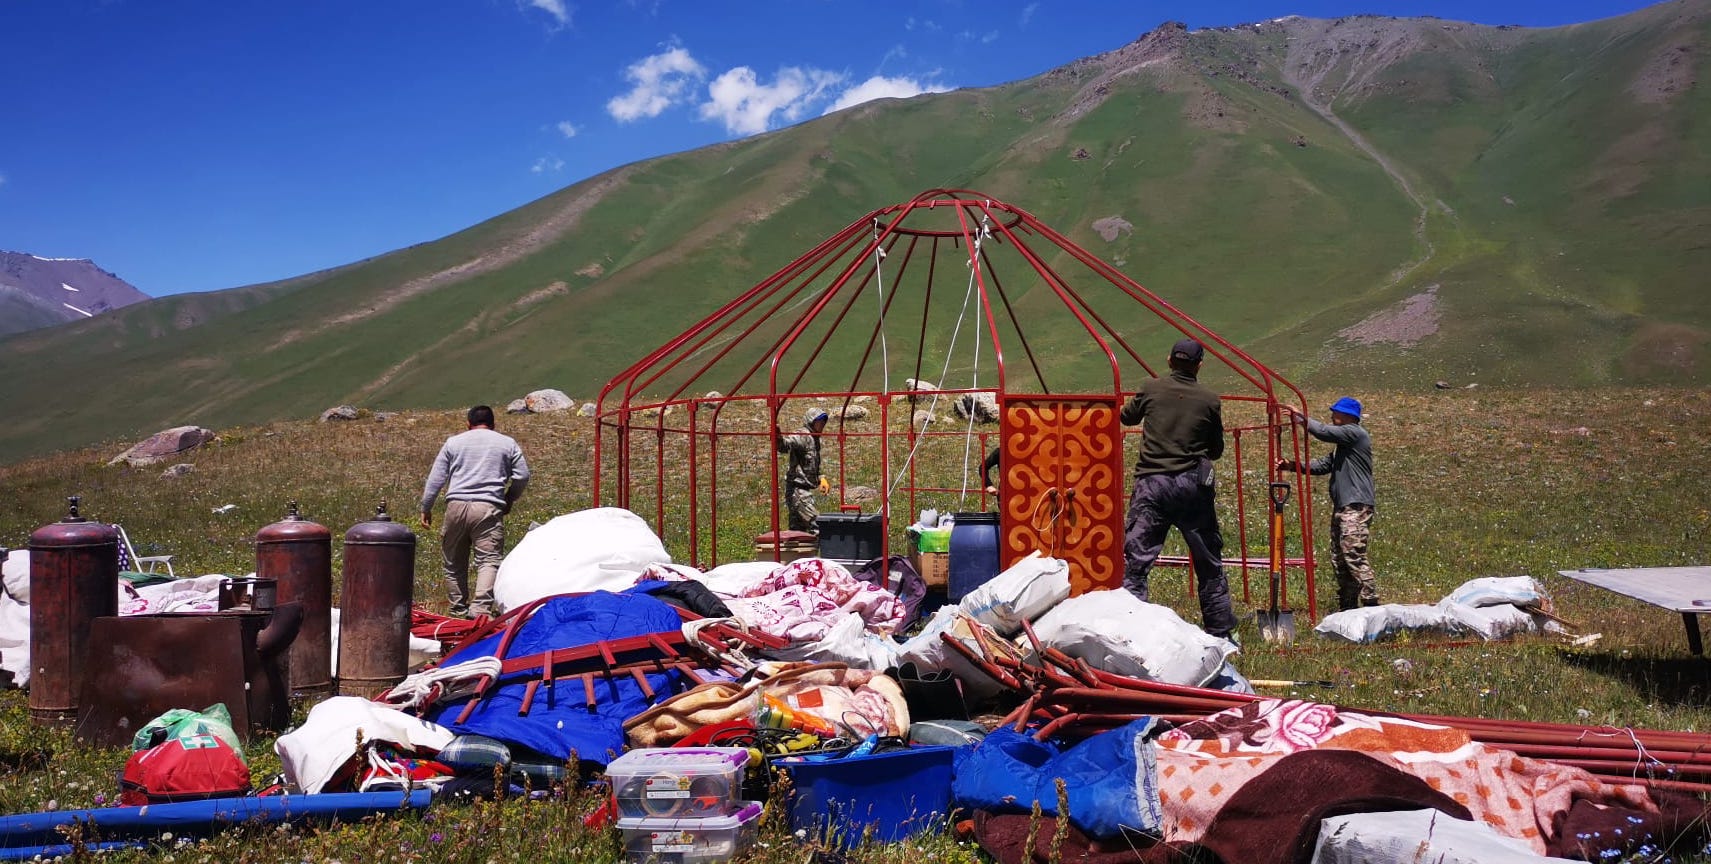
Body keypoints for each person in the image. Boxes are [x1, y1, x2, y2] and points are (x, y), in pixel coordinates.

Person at [1119, 338, 1236, 639]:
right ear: (1199, 365)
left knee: (1136, 560)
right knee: (1208, 561)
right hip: (1191, 486)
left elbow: (1126, 416)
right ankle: (1220, 632)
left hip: (1152, 485)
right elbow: (1216, 449)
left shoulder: (1150, 388)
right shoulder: (1209, 400)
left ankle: (1129, 630)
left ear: (1170, 360)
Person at [420, 405, 530, 618]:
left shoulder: (453, 443)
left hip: (456, 505)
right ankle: (480, 609)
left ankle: (458, 607)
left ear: (468, 424)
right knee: (488, 560)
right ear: (493, 424)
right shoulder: (507, 443)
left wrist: (426, 507)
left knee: (453, 560)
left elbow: (436, 478)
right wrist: (509, 498)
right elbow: (523, 475)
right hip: (488, 506)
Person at [1278, 396, 1377, 611]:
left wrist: (1301, 418)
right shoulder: (1343, 446)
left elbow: (1323, 432)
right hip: (1344, 505)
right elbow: (1323, 465)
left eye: (1336, 412)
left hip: (1356, 505)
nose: (1332, 416)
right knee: (1340, 558)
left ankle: (1371, 604)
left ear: (1349, 416)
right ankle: (1348, 606)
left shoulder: (1354, 433)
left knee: (1353, 554)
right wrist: (1293, 465)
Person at [775, 407, 830, 533]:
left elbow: (813, 464)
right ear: (811, 421)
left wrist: (821, 478)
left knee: (798, 533)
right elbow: (785, 445)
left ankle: (803, 547)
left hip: (803, 490)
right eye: (820, 421)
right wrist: (778, 437)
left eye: (824, 421)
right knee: (817, 525)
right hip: (797, 491)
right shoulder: (802, 435)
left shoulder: (815, 439)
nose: (822, 424)